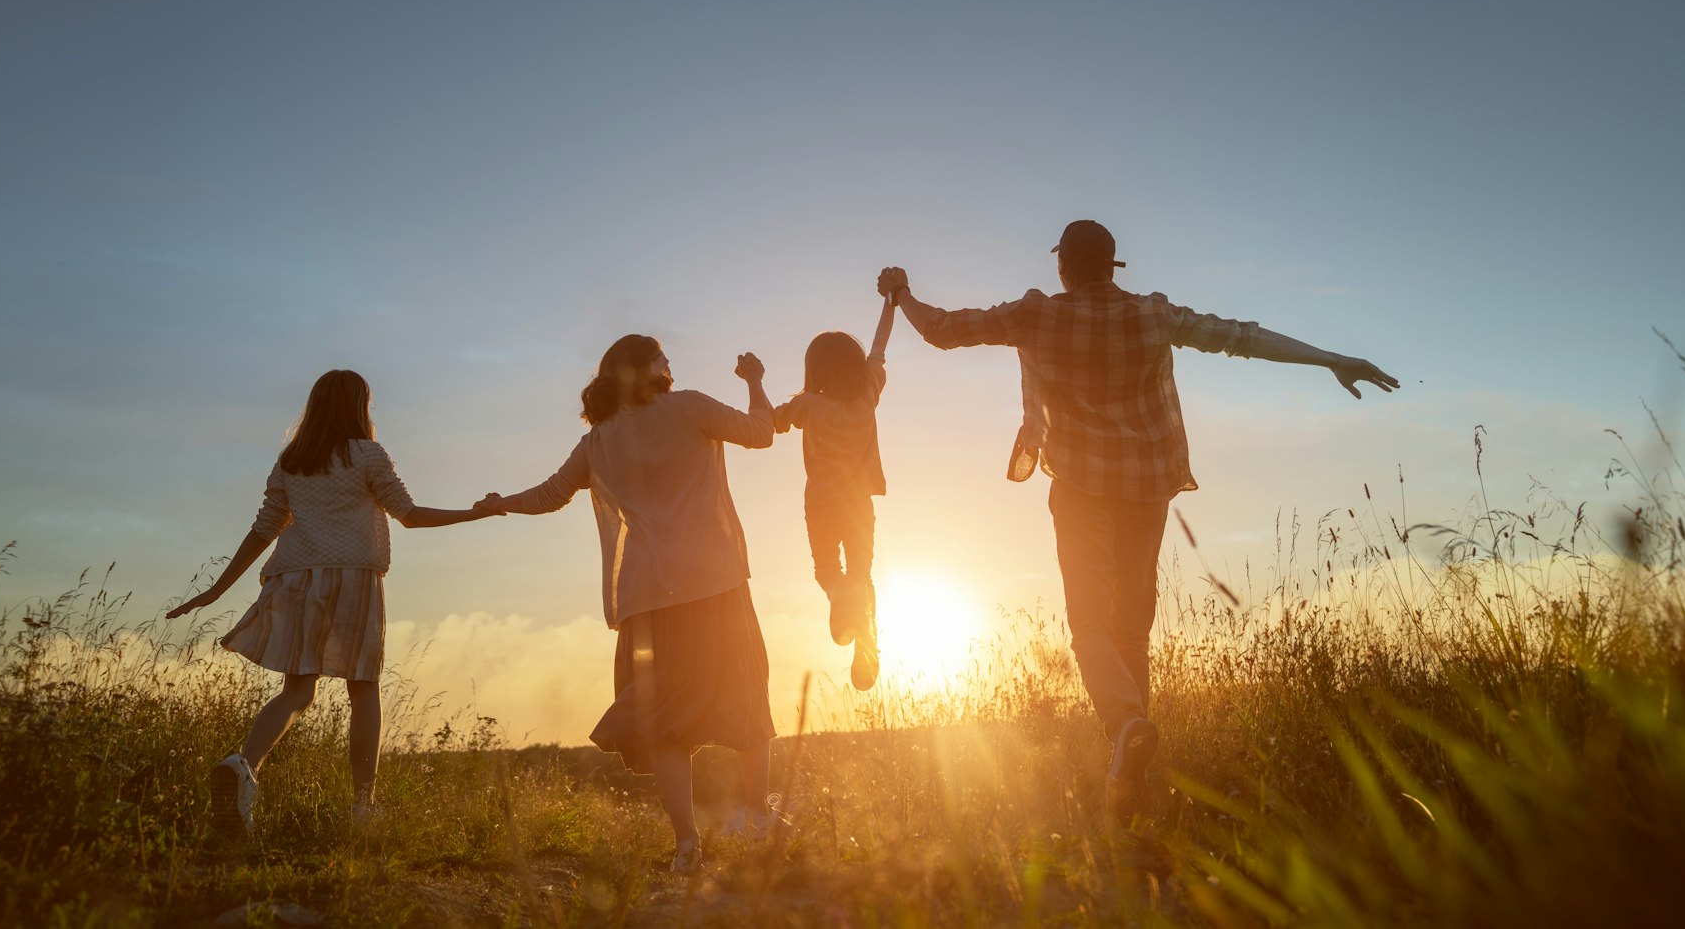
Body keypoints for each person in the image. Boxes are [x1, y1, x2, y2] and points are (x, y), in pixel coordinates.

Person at [875, 220, 1398, 803]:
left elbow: (943, 331)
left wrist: (901, 295)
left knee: (1091, 627)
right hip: (1146, 488)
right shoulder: (1153, 314)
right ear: (1112, 265)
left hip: (1078, 488)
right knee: (1131, 631)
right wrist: (1330, 359)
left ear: (1062, 267)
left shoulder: (1036, 313)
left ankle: (1126, 727)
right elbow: (1242, 338)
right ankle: (1133, 781)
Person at [474, 336, 779, 874]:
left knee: (663, 721)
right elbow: (762, 434)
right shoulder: (689, 407)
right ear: (648, 369)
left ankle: (687, 845)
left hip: (649, 597)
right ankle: (757, 814)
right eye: (663, 356)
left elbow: (549, 495)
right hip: (716, 584)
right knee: (746, 692)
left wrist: (502, 505)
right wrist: (755, 380)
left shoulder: (599, 441)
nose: (671, 363)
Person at [166, 368, 500, 838]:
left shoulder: (292, 460)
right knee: (363, 689)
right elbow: (410, 516)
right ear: (360, 407)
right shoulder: (367, 455)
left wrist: (217, 590)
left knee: (297, 692)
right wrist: (476, 513)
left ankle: (242, 766)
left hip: (296, 578)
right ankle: (363, 807)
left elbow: (265, 528)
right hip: (353, 578)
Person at [772, 294, 896, 690]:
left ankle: (840, 594)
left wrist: (756, 386)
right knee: (862, 572)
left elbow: (772, 424)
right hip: (858, 502)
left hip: (821, 502)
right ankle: (866, 633)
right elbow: (880, 348)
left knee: (827, 568)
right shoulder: (868, 396)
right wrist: (890, 304)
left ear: (814, 370)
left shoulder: (808, 405)